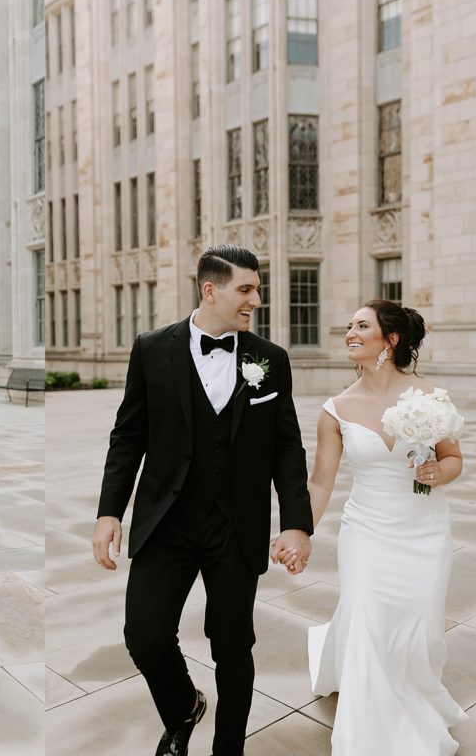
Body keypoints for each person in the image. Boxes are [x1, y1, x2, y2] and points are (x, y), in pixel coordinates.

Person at [91, 245, 314, 756]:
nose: (256, 300)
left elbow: (287, 447)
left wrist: (296, 522)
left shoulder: (270, 359)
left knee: (233, 646)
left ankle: (228, 749)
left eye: (257, 289)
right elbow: (128, 436)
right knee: (145, 636)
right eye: (246, 289)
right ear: (210, 290)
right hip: (166, 522)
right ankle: (184, 707)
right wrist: (109, 512)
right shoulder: (151, 349)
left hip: (236, 527)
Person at [298, 299, 468, 755]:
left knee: (420, 627)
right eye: (349, 326)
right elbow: (320, 482)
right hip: (367, 531)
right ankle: (368, 728)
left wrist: (438, 472)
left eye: (361, 326)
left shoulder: (430, 397)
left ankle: (411, 688)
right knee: (368, 620)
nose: (350, 333)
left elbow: (453, 458)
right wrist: (300, 531)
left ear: (390, 340)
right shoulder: (335, 410)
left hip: (425, 529)